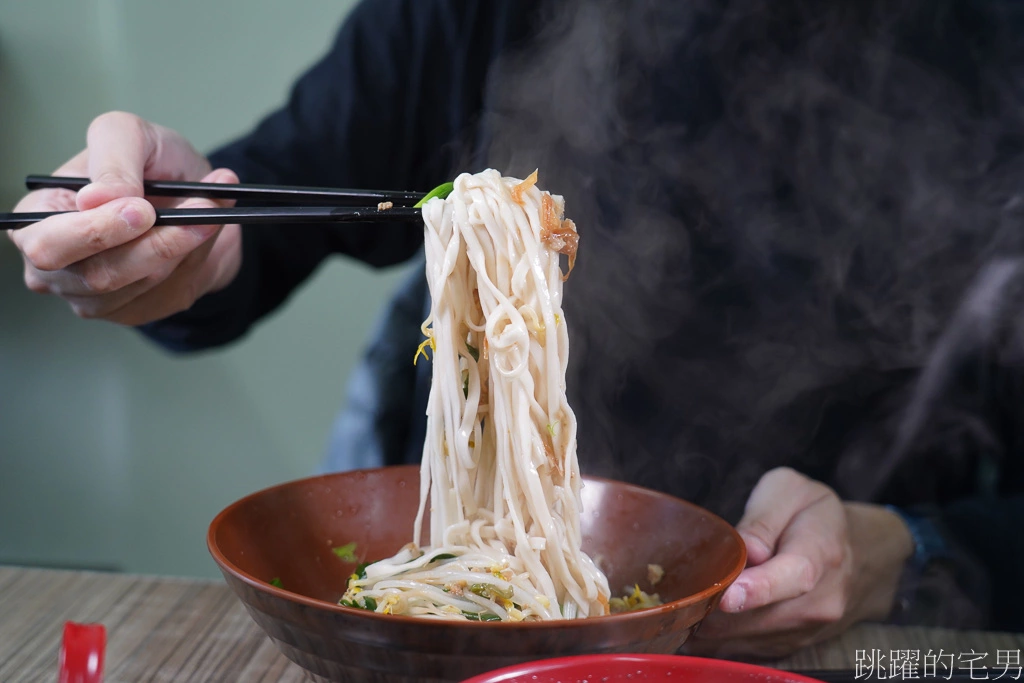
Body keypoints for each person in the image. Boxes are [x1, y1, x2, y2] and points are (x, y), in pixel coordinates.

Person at [8, 0, 1024, 658]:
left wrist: (910, 545)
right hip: (448, 608)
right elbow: (251, 230)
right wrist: (178, 240)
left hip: (848, 623)